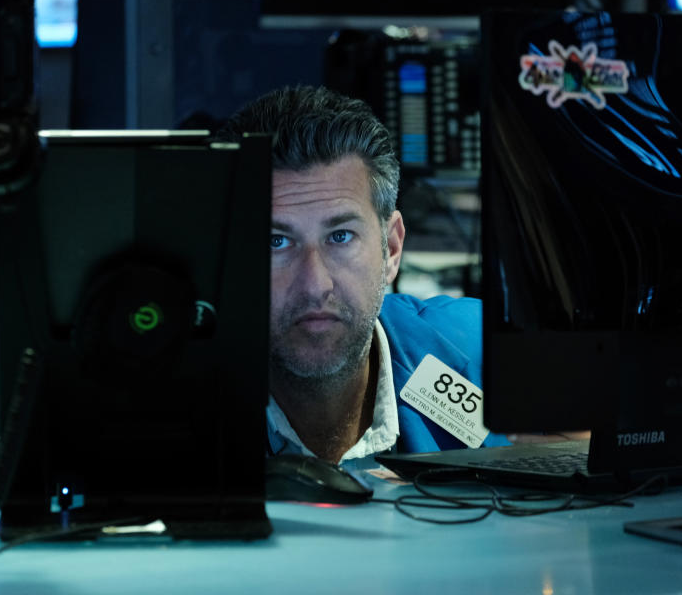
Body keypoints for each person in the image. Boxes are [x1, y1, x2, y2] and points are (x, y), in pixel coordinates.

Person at [215, 85, 508, 464]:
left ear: (392, 249)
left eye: (340, 236)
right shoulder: (169, 406)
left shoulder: (488, 354)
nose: (315, 285)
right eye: (275, 241)